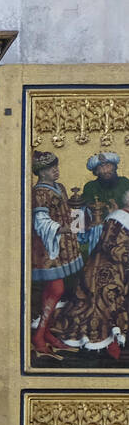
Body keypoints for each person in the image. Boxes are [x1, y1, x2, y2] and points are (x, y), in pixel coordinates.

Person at [30, 151, 94, 356]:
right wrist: (61, 228)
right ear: (41, 172)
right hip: (48, 247)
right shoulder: (39, 192)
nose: (56, 170)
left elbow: (66, 210)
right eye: (51, 168)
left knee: (53, 289)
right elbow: (41, 221)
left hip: (63, 245)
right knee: (56, 289)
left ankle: (46, 332)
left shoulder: (60, 187)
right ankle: (39, 336)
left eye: (56, 166)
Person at [52, 188, 129, 358]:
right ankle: (112, 340)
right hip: (105, 268)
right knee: (108, 294)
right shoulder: (119, 219)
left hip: (118, 267)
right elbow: (113, 249)